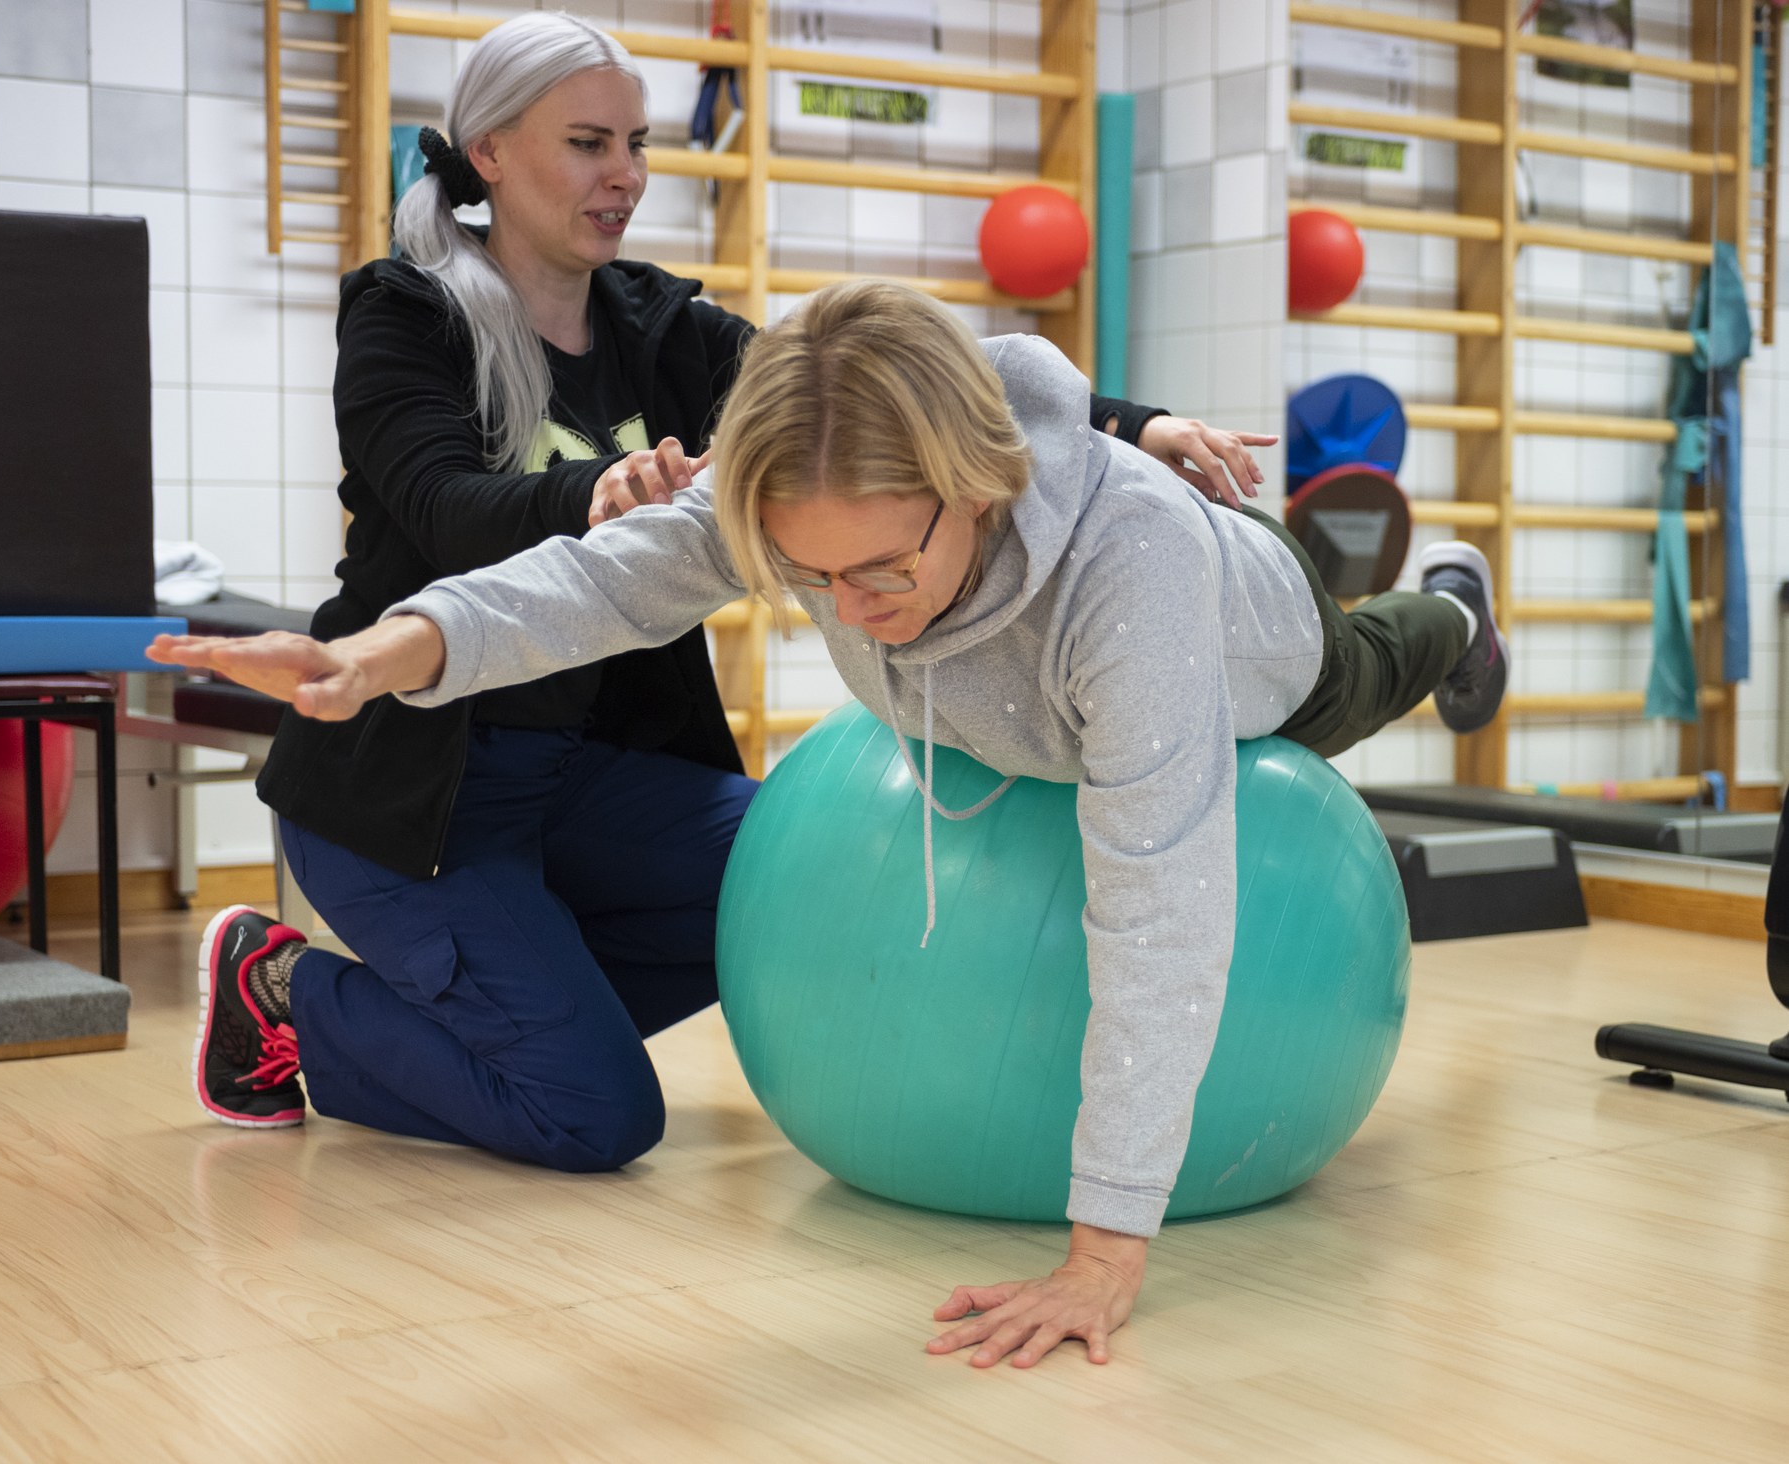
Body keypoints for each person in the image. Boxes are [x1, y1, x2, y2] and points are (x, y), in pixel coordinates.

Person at [150, 279, 1507, 1369]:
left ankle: (1451, 602)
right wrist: (386, 654)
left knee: (1358, 670)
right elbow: (604, 578)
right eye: (808, 576)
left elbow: (1158, 912)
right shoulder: (817, 482)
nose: (847, 608)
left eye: (879, 570)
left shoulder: (1128, 573)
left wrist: (1102, 1254)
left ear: (976, 484)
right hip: (1006, 709)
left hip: (1249, 650)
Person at [186, 12, 1251, 1176]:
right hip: (415, 784)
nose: (626, 176)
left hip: (596, 782)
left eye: (636, 143)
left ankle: (514, 1013)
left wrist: (1129, 423)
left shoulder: (669, 330)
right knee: (591, 1116)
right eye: (589, 143)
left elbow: (895, 384)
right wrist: (601, 490)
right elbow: (441, 508)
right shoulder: (406, 312)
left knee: (817, 888)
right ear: (487, 151)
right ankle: (283, 988)